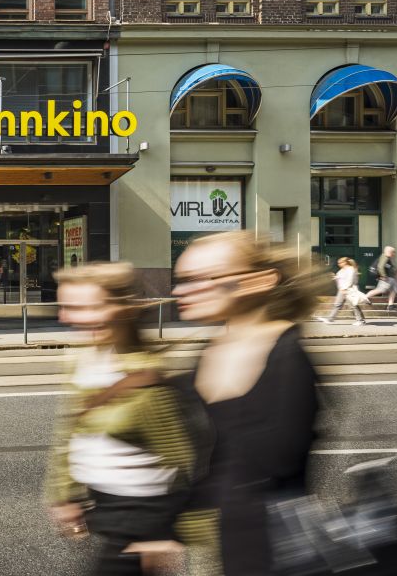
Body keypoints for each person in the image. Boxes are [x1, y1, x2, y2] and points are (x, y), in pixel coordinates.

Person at [44, 263, 215, 576]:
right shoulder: (82, 358)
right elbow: (69, 431)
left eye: (83, 307)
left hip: (143, 515)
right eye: (65, 307)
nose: (65, 318)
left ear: (122, 308)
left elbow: (183, 460)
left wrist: (167, 534)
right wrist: (64, 493)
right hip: (103, 506)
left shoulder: (146, 377)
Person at [173, 231, 321, 575]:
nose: (180, 291)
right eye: (181, 280)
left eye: (201, 279)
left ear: (260, 280)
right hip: (220, 542)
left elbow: (274, 463)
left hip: (271, 552)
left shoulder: (287, 354)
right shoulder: (208, 351)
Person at [316, 256, 367, 325]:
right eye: (338, 263)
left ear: (345, 262)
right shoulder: (342, 270)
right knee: (337, 304)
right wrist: (335, 277)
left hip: (349, 290)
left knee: (353, 305)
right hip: (342, 290)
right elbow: (341, 278)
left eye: (340, 263)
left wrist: (345, 288)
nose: (339, 264)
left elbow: (350, 280)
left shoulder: (351, 269)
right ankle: (330, 319)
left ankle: (361, 321)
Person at [362, 245, 397, 311]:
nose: (394, 254)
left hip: (390, 278)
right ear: (389, 252)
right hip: (387, 277)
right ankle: (364, 297)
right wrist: (383, 276)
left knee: (393, 290)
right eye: (393, 252)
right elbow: (380, 267)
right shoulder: (385, 257)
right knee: (381, 290)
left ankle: (390, 306)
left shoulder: (387, 258)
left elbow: (387, 267)